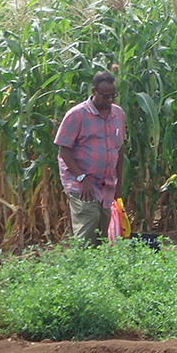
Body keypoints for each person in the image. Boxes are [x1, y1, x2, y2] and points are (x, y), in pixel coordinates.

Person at [55, 70, 126, 244]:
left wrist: (119, 184)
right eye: (105, 96)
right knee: (88, 228)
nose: (109, 100)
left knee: (101, 234)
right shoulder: (77, 115)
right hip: (81, 184)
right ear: (94, 91)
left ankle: (94, 270)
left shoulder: (118, 114)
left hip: (106, 185)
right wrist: (82, 177)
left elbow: (120, 149)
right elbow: (64, 150)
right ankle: (78, 268)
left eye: (112, 96)